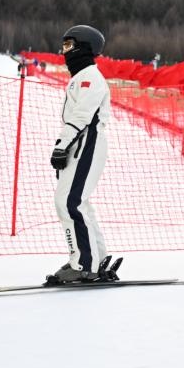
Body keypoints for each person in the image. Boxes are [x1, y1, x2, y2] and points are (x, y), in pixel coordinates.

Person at [48, 25, 112, 284]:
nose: (64, 51)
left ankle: (85, 263)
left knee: (69, 202)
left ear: (83, 47)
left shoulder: (90, 77)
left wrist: (62, 145)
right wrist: (64, 146)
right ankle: (95, 256)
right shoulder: (82, 76)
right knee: (76, 201)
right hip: (81, 143)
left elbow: (81, 116)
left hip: (88, 141)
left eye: (69, 45)